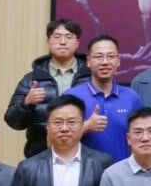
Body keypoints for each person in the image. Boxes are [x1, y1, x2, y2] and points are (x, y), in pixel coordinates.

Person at [5, 18, 90, 158]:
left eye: (69, 37)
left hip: (85, 155)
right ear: (48, 42)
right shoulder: (31, 79)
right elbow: (13, 121)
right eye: (57, 37)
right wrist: (26, 103)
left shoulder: (91, 78)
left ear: (77, 43)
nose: (63, 42)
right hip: (40, 155)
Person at [67, 34, 142, 161]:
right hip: (84, 172)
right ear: (88, 61)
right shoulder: (72, 96)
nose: (105, 62)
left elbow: (141, 138)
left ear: (118, 61)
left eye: (111, 56)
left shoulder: (131, 97)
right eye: (98, 57)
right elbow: (55, 143)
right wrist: (86, 127)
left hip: (121, 170)